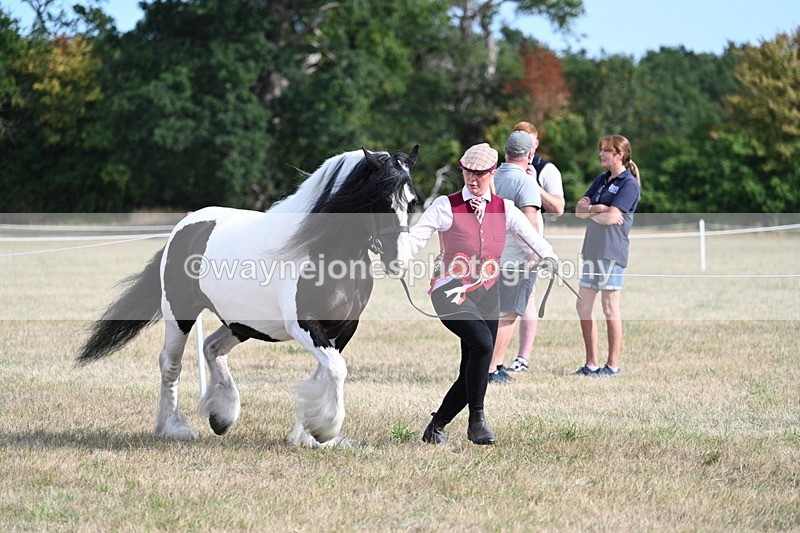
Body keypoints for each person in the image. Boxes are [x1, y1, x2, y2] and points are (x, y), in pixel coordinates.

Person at [409, 143, 558, 445]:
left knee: (474, 364)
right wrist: (400, 258)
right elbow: (417, 236)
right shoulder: (445, 205)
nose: (472, 179)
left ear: (492, 172)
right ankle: (477, 421)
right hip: (450, 290)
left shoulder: (505, 208)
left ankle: (436, 425)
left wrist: (548, 256)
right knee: (482, 344)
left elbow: (531, 238)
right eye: (468, 172)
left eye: (479, 174)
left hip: (488, 292)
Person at [574, 134, 641, 377]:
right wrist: (598, 209)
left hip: (612, 251)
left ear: (619, 155)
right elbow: (578, 211)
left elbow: (613, 218)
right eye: (601, 149)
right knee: (582, 306)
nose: (601, 154)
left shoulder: (629, 184)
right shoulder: (601, 180)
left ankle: (612, 366)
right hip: (592, 250)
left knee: (610, 308)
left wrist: (596, 211)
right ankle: (591, 364)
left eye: (606, 150)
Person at [505, 121, 565, 374]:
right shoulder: (504, 170)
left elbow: (558, 208)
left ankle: (521, 358)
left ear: (535, 144)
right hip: (503, 248)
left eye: (527, 140)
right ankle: (494, 361)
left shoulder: (547, 169)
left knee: (526, 300)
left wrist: (535, 186)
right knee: (509, 306)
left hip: (530, 246)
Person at [486, 131, 542, 384]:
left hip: (488, 256)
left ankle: (488, 364)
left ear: (506, 151)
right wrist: (536, 254)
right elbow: (529, 223)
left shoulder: (491, 176)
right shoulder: (526, 182)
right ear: (530, 154)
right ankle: (492, 368)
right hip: (515, 259)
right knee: (507, 314)